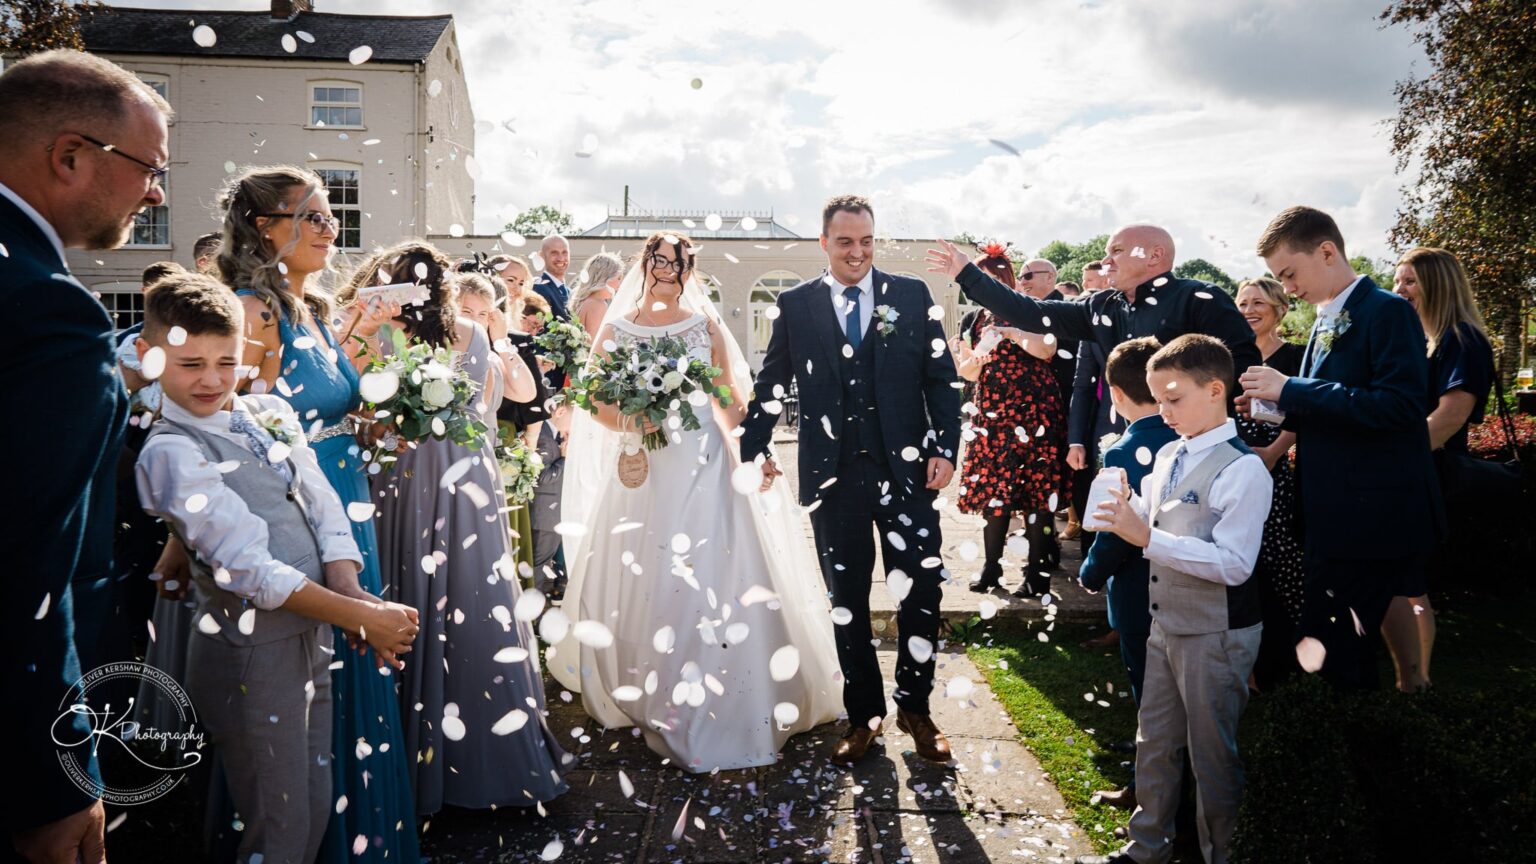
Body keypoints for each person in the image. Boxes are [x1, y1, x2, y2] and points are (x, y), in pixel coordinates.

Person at [133, 272, 420, 864]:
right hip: (250, 654)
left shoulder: (266, 410)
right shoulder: (170, 452)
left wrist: (351, 591)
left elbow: (321, 503)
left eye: (226, 360)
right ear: (150, 355)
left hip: (310, 631)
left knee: (313, 806)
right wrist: (357, 619)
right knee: (278, 821)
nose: (213, 379)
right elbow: (249, 570)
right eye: (190, 365)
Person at [550, 232, 841, 770]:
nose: (668, 269)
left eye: (679, 262)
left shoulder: (704, 325)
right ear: (646, 264)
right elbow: (592, 398)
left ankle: (732, 688)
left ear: (690, 269)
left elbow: (728, 398)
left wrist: (756, 452)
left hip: (706, 462)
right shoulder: (618, 326)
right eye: (660, 260)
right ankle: (655, 689)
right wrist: (632, 419)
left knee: (715, 570)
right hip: (648, 470)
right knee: (653, 574)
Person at [217, 165, 423, 862]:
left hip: (345, 507)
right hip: (295, 522)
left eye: (331, 217)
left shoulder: (310, 310)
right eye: (311, 216)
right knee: (307, 686)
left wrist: (382, 420)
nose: (330, 230)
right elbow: (231, 435)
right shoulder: (253, 312)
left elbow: (331, 411)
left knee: (354, 667)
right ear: (263, 227)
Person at [0, 49, 170, 863]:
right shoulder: (45, 311)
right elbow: (29, 574)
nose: (156, 191)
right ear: (70, 155)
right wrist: (55, 781)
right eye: (147, 168)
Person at [742, 195, 962, 767]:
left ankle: (916, 707)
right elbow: (770, 384)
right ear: (824, 242)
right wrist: (754, 448)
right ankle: (864, 715)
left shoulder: (911, 296)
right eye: (845, 242)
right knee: (848, 602)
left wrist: (944, 447)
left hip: (908, 473)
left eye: (866, 241)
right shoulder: (796, 304)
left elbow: (941, 380)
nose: (857, 252)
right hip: (832, 478)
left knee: (921, 592)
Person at [358, 242, 569, 814]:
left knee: (413, 590)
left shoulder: (384, 336)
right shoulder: (467, 339)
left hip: (405, 479)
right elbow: (515, 398)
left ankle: (408, 752)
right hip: (466, 485)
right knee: (473, 601)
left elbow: (360, 417)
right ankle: (481, 753)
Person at [1077, 335, 1272, 864]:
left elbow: (1235, 565)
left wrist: (1147, 538)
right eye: (1158, 400)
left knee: (1212, 757)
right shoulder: (1168, 452)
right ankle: (1147, 849)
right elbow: (1154, 515)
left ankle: (1220, 853)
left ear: (1214, 390)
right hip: (1164, 625)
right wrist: (1121, 503)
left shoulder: (1243, 469)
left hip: (1216, 632)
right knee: (1154, 741)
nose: (1163, 411)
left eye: (1173, 398)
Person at [1239, 206, 1442, 691]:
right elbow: (1333, 409)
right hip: (1335, 514)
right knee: (1340, 647)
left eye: (1288, 273)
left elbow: (1400, 406)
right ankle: (1355, 735)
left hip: (1371, 513)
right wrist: (1270, 408)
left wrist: (1291, 389)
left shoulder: (1387, 311)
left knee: (1332, 646)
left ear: (1327, 251)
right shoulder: (1323, 320)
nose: (1287, 288)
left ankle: (1342, 745)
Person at [927, 224, 1262, 401]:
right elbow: (1032, 313)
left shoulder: (1200, 298)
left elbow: (1243, 371)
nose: (1106, 262)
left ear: (1155, 255)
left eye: (1116, 251)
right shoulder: (1102, 305)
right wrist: (967, 274)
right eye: (1106, 253)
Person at [1385, 247, 1495, 691]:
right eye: (1397, 280)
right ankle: (1411, 681)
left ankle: (1417, 684)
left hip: (1422, 476)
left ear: (1439, 285)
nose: (1399, 289)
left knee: (1410, 585)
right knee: (1403, 581)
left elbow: (1450, 416)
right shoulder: (1430, 340)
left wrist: (1394, 464)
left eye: (1410, 281)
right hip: (1413, 473)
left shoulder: (1461, 339)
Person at [1077, 336, 1177, 812]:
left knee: (1147, 685)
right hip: (1183, 584)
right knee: (1172, 689)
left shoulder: (1122, 452)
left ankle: (1149, 787)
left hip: (1140, 591)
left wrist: (1091, 573)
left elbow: (1114, 533)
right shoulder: (1185, 434)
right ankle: (1153, 753)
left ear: (1115, 395)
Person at [948, 243, 1067, 597]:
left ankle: (1037, 573)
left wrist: (1012, 334)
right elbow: (967, 374)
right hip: (992, 414)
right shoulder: (977, 319)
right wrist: (974, 361)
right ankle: (991, 569)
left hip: (1033, 413)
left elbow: (1048, 349)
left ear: (1005, 280)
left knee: (1036, 493)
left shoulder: (1028, 310)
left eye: (989, 279)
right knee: (995, 496)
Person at [1232, 277, 1305, 690]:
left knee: (1275, 559)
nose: (1248, 310)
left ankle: (1280, 657)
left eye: (1258, 302)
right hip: (1230, 467)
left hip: (1272, 467)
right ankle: (1245, 659)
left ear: (1279, 307)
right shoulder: (1231, 355)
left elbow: (1303, 413)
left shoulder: (1295, 357)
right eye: (1242, 303)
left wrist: (1274, 453)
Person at [570, 250, 625, 337]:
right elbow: (594, 347)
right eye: (618, 278)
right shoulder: (597, 304)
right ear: (605, 277)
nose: (619, 284)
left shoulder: (585, 301)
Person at [531, 234, 573, 320]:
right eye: (554, 253)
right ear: (542, 255)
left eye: (564, 252)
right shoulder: (539, 289)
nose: (560, 258)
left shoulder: (569, 291)